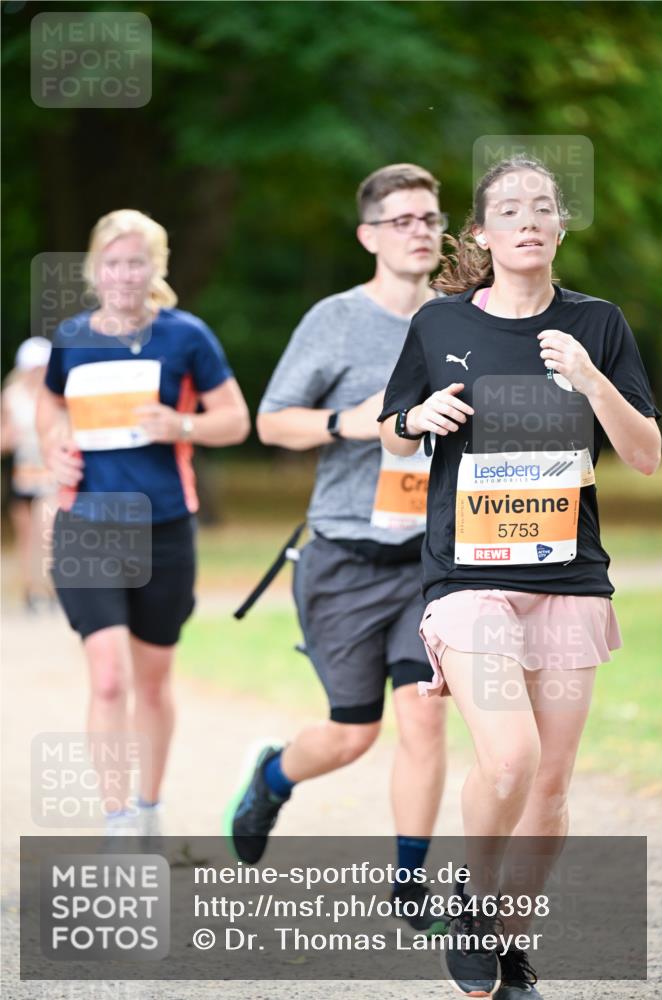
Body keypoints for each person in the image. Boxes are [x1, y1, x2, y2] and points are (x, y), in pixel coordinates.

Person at [379, 155, 661, 997]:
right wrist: (414, 416)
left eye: (543, 206)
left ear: (560, 228)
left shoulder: (598, 325)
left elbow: (645, 456)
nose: (529, 219)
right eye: (510, 209)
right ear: (482, 233)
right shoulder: (437, 324)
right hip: (466, 577)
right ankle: (469, 895)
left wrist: (588, 376)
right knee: (508, 757)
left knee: (548, 782)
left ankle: (506, 944)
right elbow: (393, 434)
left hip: (569, 579)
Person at [226, 163, 449, 934]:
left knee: (423, 712)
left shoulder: (462, 319)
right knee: (353, 733)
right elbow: (271, 422)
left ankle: (411, 882)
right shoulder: (335, 320)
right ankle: (274, 776)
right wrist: (346, 423)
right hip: (345, 559)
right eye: (402, 221)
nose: (419, 231)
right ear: (369, 236)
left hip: (431, 558)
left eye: (429, 218)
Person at [37, 209, 250, 837]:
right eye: (112, 263)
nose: (124, 275)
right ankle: (118, 818)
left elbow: (235, 421)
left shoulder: (187, 337)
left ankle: (151, 806)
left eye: (137, 262)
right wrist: (54, 441)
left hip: (163, 526)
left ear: (156, 267)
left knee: (152, 684)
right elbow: (50, 401)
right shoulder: (72, 337)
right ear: (94, 270)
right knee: (108, 678)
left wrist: (181, 424)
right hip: (87, 524)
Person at [1, 337, 57, 611]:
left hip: (50, 475)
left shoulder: (56, 395)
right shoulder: (11, 396)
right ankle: (31, 591)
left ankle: (50, 587)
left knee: (48, 531)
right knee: (27, 536)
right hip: (23, 475)